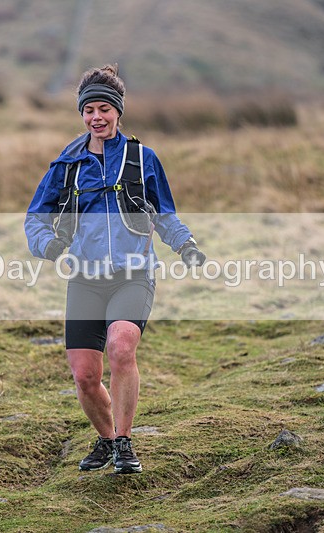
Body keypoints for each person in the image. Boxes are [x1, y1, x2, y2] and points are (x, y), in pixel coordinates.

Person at [24, 64, 205, 474]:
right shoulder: (65, 166)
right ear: (82, 115)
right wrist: (50, 247)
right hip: (85, 277)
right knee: (85, 375)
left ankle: (124, 442)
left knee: (121, 345)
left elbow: (165, 215)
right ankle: (106, 440)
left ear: (118, 111)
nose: (96, 118)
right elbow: (34, 219)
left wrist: (186, 244)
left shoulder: (143, 159)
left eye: (104, 109)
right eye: (89, 111)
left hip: (133, 273)